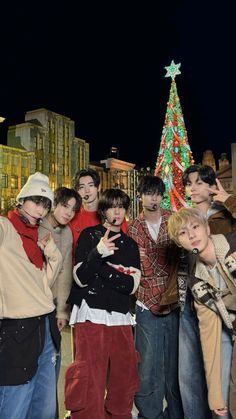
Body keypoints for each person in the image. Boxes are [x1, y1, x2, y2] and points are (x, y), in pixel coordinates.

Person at [66, 188, 141, 419]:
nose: (117, 211)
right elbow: (80, 278)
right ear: (103, 210)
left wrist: (100, 268)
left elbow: (131, 286)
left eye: (121, 206)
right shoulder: (89, 235)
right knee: (90, 380)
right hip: (90, 315)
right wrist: (98, 253)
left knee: (123, 378)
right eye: (111, 206)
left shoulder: (130, 245)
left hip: (120, 317)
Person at [0, 172, 62, 419]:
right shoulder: (5, 227)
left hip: (45, 324)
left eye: (45, 205)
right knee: (16, 404)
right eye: (36, 202)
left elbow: (43, 288)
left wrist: (53, 255)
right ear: (22, 200)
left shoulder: (37, 238)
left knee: (44, 405)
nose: (40, 210)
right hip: (17, 327)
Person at [178, 164, 236, 419]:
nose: (193, 187)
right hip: (201, 300)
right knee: (192, 371)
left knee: (225, 374)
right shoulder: (184, 218)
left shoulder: (223, 214)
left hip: (227, 296)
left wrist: (228, 199)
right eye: (189, 183)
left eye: (200, 182)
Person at [127, 175, 183, 419]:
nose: (154, 199)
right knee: (148, 364)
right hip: (145, 303)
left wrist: (148, 258)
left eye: (158, 194)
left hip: (172, 302)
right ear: (141, 196)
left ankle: (176, 412)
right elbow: (136, 270)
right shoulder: (134, 228)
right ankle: (149, 415)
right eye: (149, 193)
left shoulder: (173, 219)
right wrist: (156, 261)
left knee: (174, 364)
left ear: (162, 195)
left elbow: (178, 259)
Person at [39, 187, 82, 332]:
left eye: (73, 209)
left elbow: (65, 273)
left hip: (53, 305)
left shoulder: (67, 232)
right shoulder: (37, 227)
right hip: (33, 300)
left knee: (53, 352)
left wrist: (62, 312)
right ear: (54, 204)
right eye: (65, 206)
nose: (69, 213)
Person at [69, 168, 128, 251]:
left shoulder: (114, 214)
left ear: (99, 187)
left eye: (91, 185)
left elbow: (124, 244)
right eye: (82, 187)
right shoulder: (72, 217)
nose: (87, 191)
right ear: (77, 191)